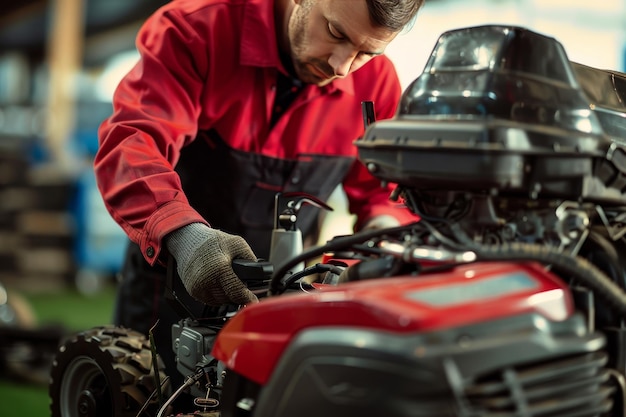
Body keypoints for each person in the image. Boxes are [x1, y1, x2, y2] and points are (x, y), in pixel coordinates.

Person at [95, 0, 423, 392]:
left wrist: (375, 243)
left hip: (288, 299)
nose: (342, 66)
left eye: (367, 52)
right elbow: (133, 143)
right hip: (173, 286)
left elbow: (385, 194)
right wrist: (185, 236)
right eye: (336, 33)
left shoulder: (377, 83)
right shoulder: (196, 31)